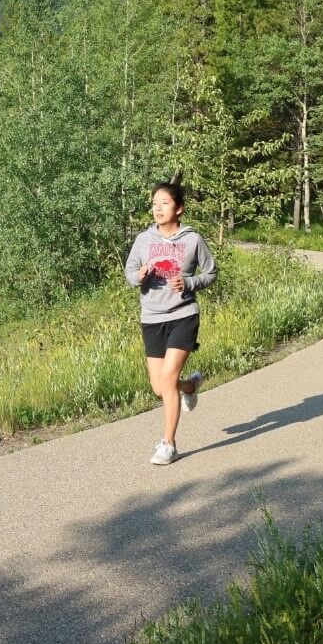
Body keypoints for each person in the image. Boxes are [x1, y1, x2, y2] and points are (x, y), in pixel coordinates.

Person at [124, 179, 218, 465]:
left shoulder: (192, 240)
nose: (158, 208)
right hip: (151, 318)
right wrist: (137, 276)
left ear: (179, 209)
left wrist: (189, 282)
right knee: (159, 387)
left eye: (164, 203)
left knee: (167, 380)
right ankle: (190, 386)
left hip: (183, 315)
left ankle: (169, 444)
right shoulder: (143, 240)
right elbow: (129, 273)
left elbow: (211, 273)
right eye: (154, 204)